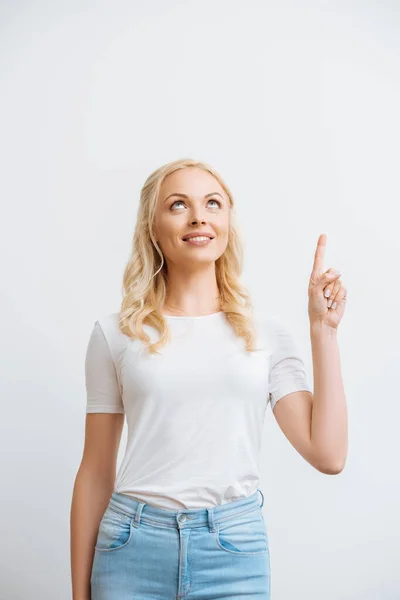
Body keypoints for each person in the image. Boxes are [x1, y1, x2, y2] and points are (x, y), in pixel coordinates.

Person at [70, 158, 312, 600]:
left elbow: (327, 453)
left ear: (227, 223)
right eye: (178, 205)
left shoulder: (267, 334)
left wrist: (324, 330)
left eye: (212, 203)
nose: (199, 216)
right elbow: (95, 471)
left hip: (234, 549)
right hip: (130, 547)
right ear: (152, 228)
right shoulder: (115, 334)